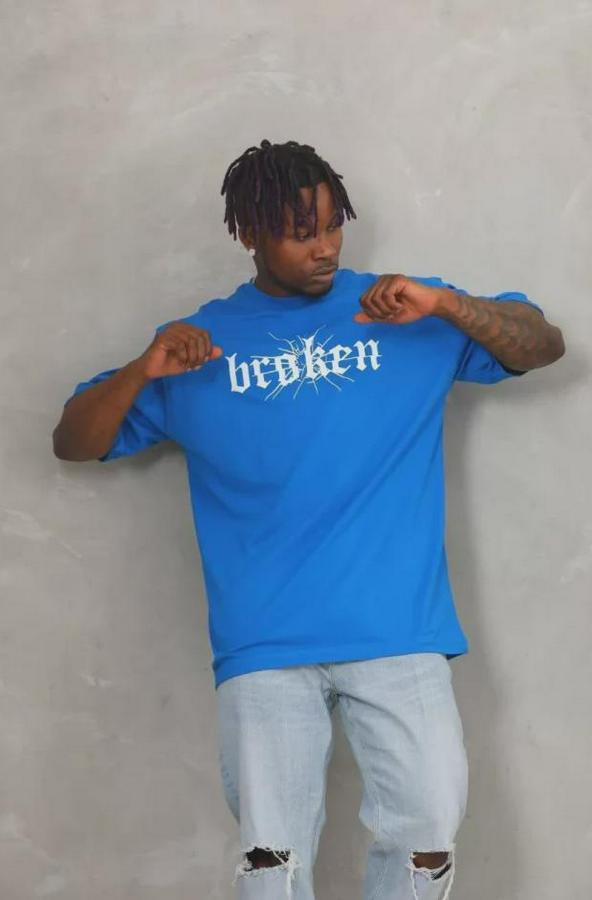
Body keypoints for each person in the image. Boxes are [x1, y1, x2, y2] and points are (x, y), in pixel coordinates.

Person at [53, 139, 565, 900]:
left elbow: (543, 345)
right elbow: (73, 442)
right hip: (264, 644)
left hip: (398, 630)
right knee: (273, 865)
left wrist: (445, 303)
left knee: (427, 837)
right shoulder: (199, 345)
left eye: (331, 227)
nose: (324, 248)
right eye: (301, 233)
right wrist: (141, 370)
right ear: (248, 233)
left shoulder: (406, 311)